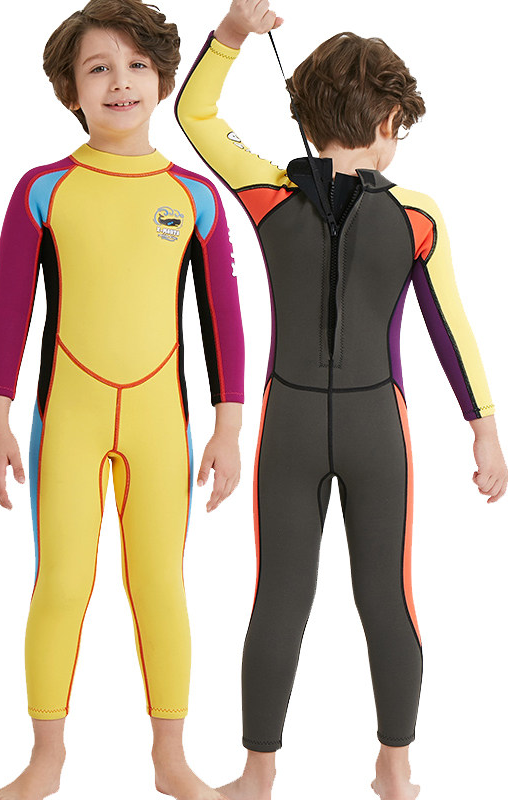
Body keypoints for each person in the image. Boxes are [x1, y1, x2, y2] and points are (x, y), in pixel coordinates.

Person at [175, 2, 508, 799]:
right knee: (387, 598)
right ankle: (395, 770)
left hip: (288, 422)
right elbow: (449, 326)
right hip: (376, 426)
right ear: (391, 119)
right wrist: (484, 429)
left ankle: (257, 775)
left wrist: (233, 33)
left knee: (279, 598)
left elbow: (194, 115)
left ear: (305, 112)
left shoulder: (266, 191)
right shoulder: (416, 214)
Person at [0, 1, 244, 798]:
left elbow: (224, 321)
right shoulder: (43, 189)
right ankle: (46, 758)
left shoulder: (194, 196)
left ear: (162, 80)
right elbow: (8, 312)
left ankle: (171, 758)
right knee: (62, 583)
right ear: (71, 90)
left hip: (163, 421)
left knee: (160, 585)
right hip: (69, 417)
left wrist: (228, 429)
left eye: (136, 65)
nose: (120, 82)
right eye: (98, 68)